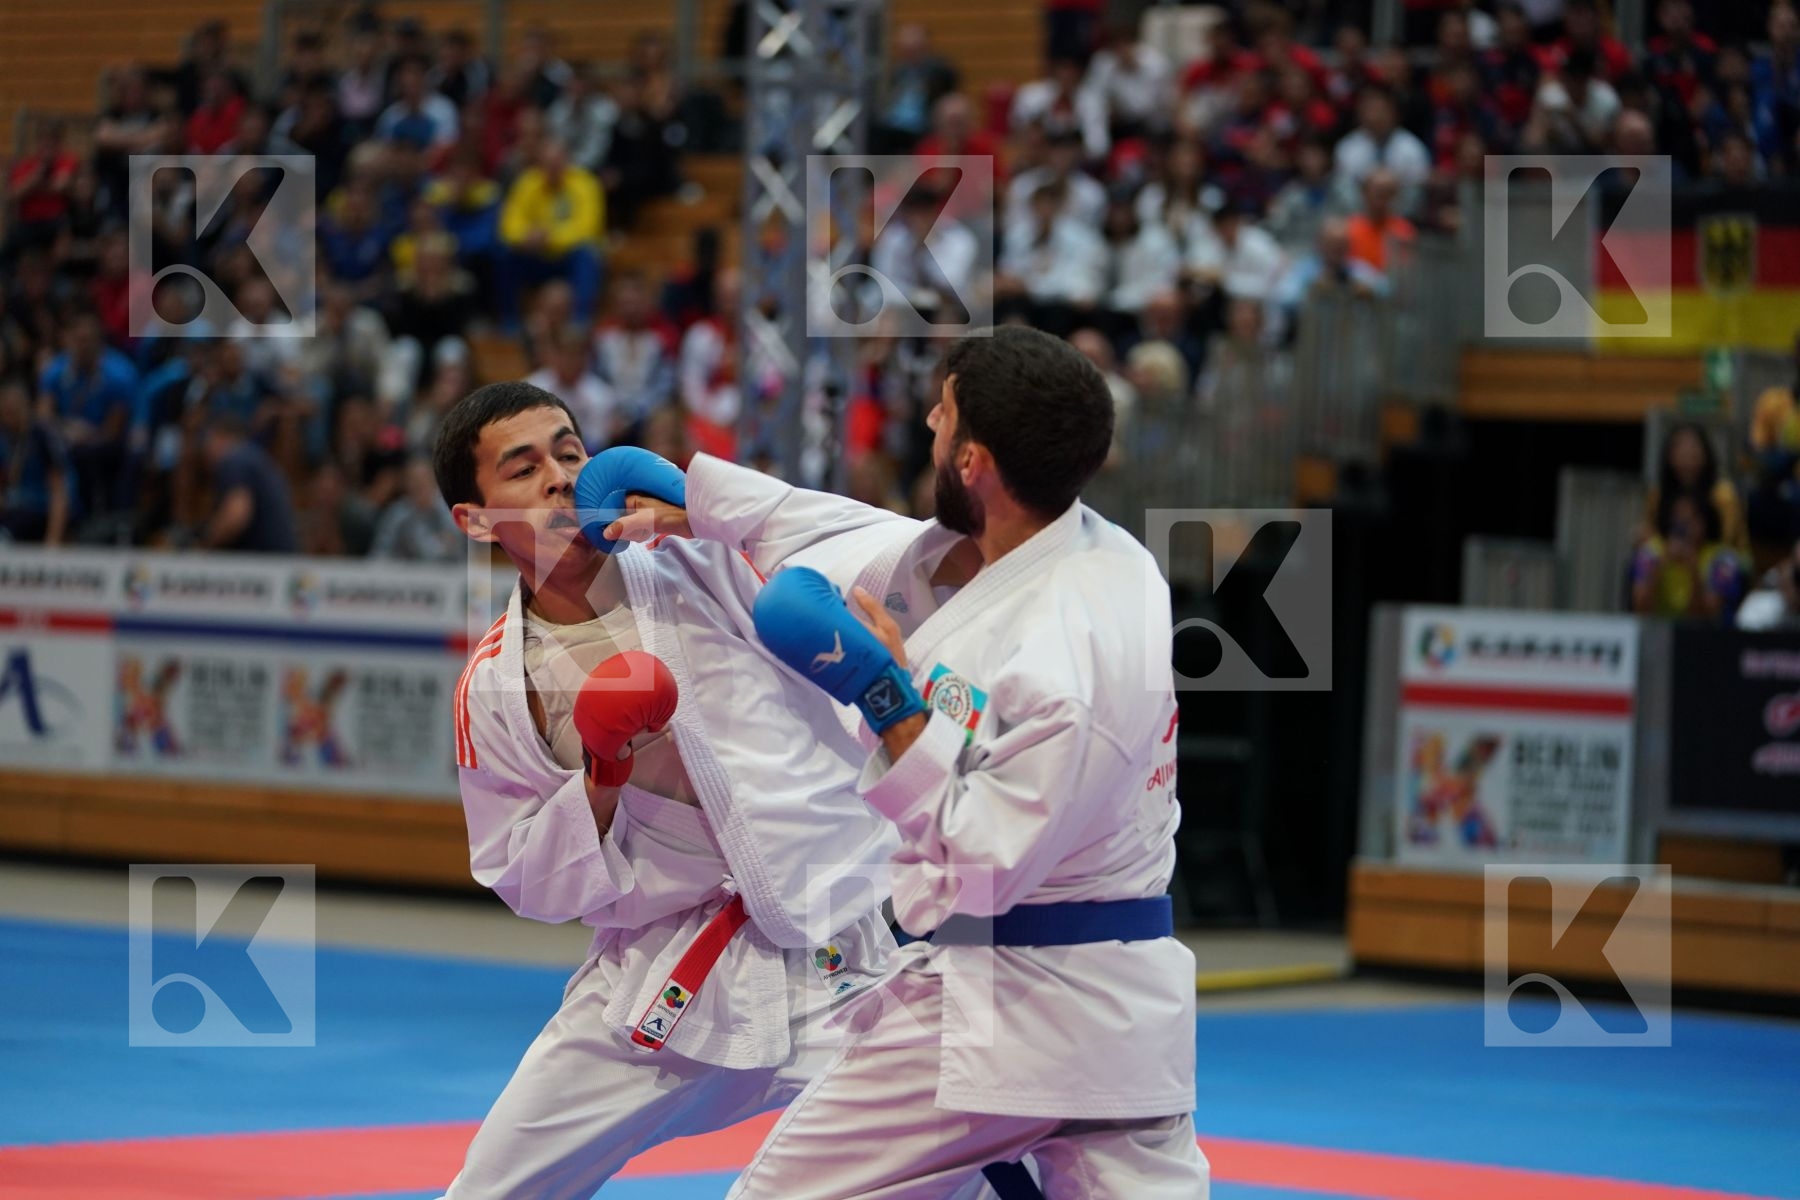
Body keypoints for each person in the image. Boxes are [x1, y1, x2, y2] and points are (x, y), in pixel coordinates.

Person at [605, 325, 1206, 1197]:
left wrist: (885, 697)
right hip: (1114, 1020)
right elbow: (862, 539)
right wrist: (704, 505)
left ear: (974, 462)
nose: (927, 418)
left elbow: (982, 869)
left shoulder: (1066, 659)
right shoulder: (1088, 549)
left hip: (1009, 1004)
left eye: (944, 414)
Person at [430, 381, 908, 1200]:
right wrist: (603, 776)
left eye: (570, 451)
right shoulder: (497, 687)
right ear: (474, 519)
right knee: (490, 1190)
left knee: (967, 1154)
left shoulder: (704, 560)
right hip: (659, 978)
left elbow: (890, 553)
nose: (558, 476)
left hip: (832, 953)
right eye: (523, 467)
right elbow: (524, 878)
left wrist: (711, 505)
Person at [1631, 488, 1747, 622]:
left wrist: (1693, 571)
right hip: (1658, 631)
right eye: (1678, 519)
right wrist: (1659, 568)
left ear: (1704, 521)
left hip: (1704, 637)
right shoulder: (1651, 552)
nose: (1684, 527)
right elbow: (1640, 609)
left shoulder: (1723, 559)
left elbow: (1706, 617)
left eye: (1690, 519)